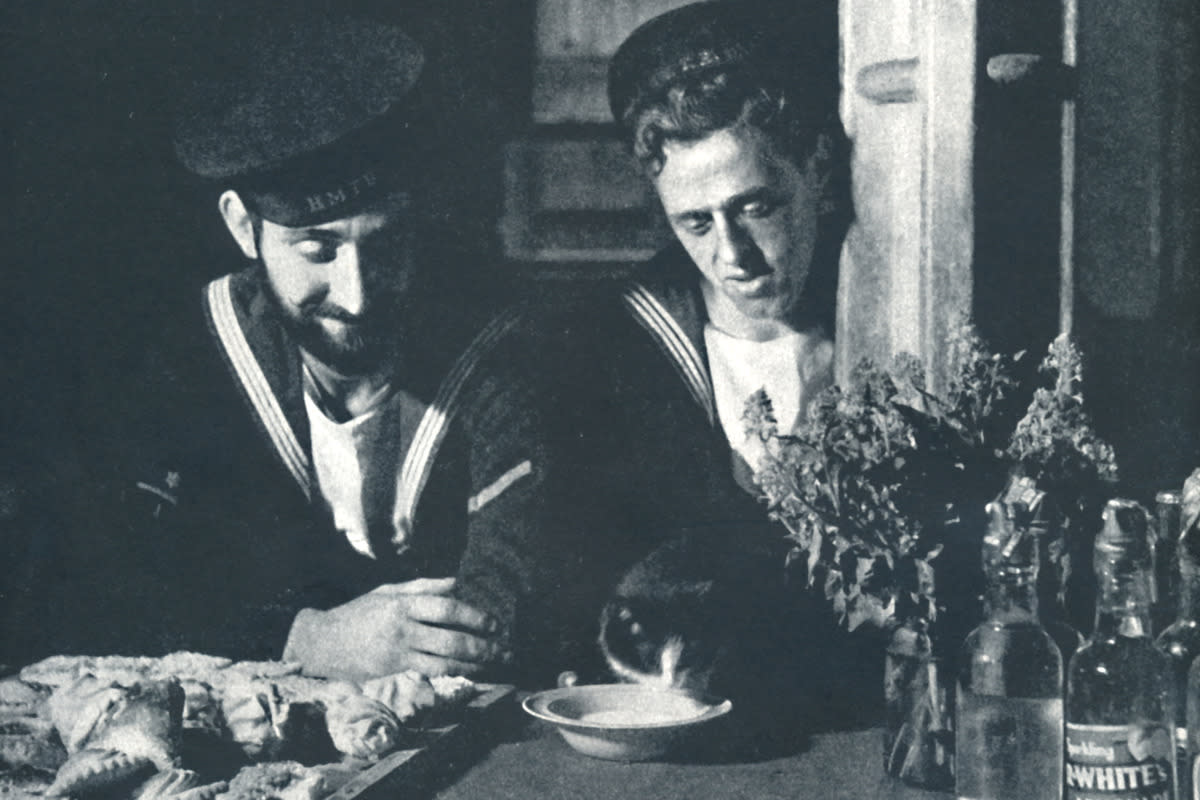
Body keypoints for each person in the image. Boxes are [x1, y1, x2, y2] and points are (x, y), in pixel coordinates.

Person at [8, 14, 548, 683]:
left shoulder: (496, 351)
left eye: (383, 246)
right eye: (317, 250)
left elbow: (520, 582)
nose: (355, 294)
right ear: (243, 226)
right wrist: (303, 636)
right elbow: (106, 583)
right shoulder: (185, 359)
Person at [531, 0, 871, 736]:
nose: (733, 257)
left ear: (814, 168)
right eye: (696, 222)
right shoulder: (613, 347)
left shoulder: (883, 320)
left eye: (756, 207)